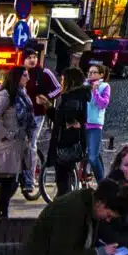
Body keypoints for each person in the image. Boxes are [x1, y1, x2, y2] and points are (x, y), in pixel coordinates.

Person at [0, 68, 38, 217]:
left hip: (16, 147)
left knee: (9, 182)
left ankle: (2, 215)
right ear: (17, 77)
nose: (28, 78)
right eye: (25, 75)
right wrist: (7, 135)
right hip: (3, 146)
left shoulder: (22, 95)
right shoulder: (5, 95)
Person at [50, 64, 90, 192]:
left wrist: (70, 120)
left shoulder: (72, 97)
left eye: (63, 80)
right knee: (65, 175)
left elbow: (66, 117)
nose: (61, 83)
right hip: (73, 141)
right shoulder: (80, 96)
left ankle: (64, 202)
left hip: (67, 142)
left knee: (63, 176)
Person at [80, 60, 112, 177]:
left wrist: (95, 91)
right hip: (82, 123)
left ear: (101, 74)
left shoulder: (104, 86)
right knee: (80, 154)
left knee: (93, 157)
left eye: (94, 72)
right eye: (89, 72)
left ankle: (101, 184)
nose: (91, 75)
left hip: (94, 125)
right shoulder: (84, 85)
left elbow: (103, 104)